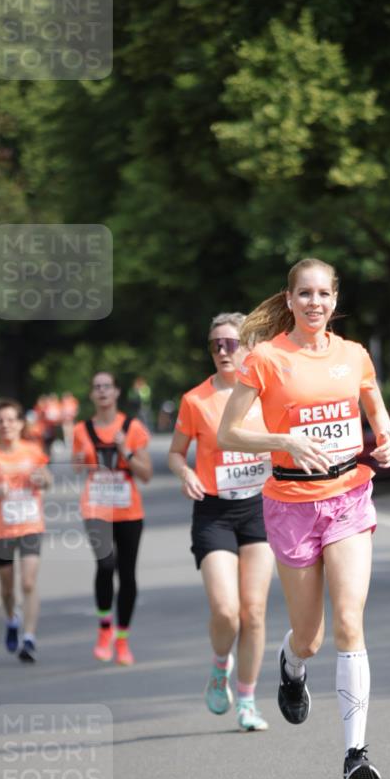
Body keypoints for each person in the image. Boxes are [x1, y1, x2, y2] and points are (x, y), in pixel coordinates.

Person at [218, 259, 390, 779]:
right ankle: (292, 666)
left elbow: (375, 407)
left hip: (348, 497)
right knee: (310, 637)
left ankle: (355, 755)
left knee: (348, 622)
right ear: (289, 299)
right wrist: (285, 441)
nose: (314, 302)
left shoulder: (353, 354)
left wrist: (385, 440)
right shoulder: (267, 359)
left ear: (334, 299)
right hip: (291, 504)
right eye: (305, 294)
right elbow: (229, 433)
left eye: (323, 294)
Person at [169, 313, 275, 732]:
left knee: (254, 611)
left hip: (260, 509)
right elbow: (176, 453)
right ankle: (219, 665)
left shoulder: (266, 395)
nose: (223, 352)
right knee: (227, 612)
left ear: (248, 347)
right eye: (215, 345)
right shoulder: (195, 400)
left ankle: (247, 700)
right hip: (214, 512)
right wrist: (185, 473)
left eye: (231, 343)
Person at [72, 372, 152, 666]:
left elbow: (146, 474)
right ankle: (104, 628)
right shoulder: (81, 429)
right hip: (96, 508)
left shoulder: (132, 427)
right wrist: (82, 459)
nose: (102, 391)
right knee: (105, 565)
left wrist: (124, 451)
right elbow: (77, 467)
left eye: (107, 386)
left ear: (117, 392)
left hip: (129, 510)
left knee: (127, 574)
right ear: (91, 395)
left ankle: (122, 639)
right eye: (97, 387)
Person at [0, 398, 52, 662]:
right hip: (0, 530)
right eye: (0, 421)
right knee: (6, 588)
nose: (6, 425)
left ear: (20, 424)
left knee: (28, 582)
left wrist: (41, 479)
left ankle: (29, 638)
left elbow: (47, 480)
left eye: (11, 420)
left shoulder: (33, 451)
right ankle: (12, 618)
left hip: (30, 524)